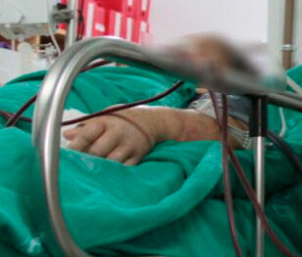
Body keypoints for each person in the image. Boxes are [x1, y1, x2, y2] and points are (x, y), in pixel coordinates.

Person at [63, 34, 259, 165]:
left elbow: (233, 127)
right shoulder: (121, 67)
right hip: (63, 86)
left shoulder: (229, 93)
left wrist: (154, 122)